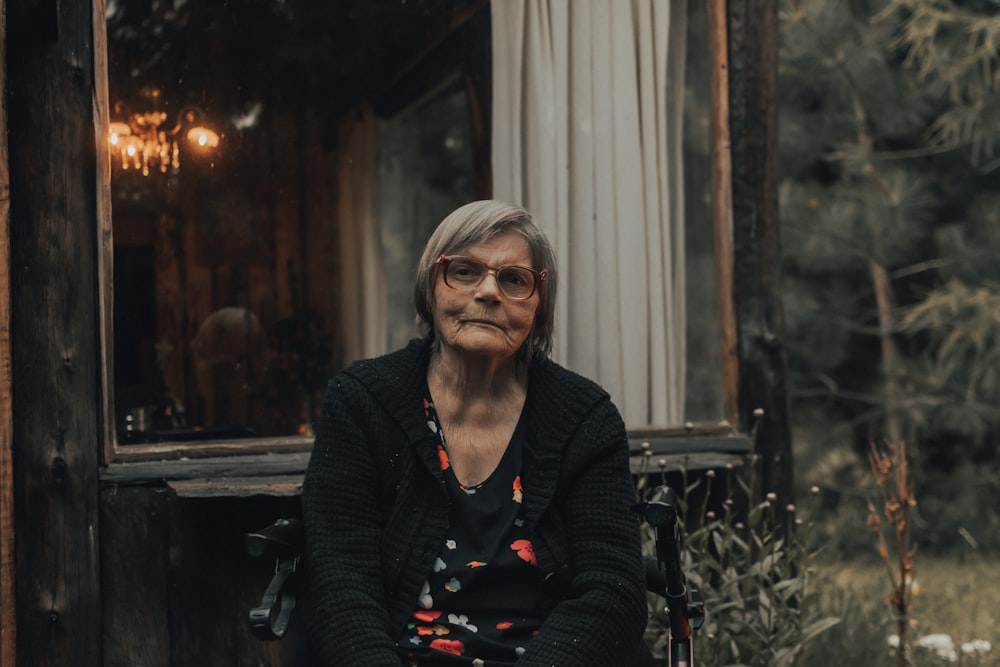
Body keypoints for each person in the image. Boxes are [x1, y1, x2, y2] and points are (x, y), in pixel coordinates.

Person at [301, 200, 651, 666]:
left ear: (539, 306)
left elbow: (612, 591)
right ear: (431, 286)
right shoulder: (363, 402)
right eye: (464, 271)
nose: (488, 292)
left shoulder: (585, 416)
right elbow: (341, 585)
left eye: (514, 280)